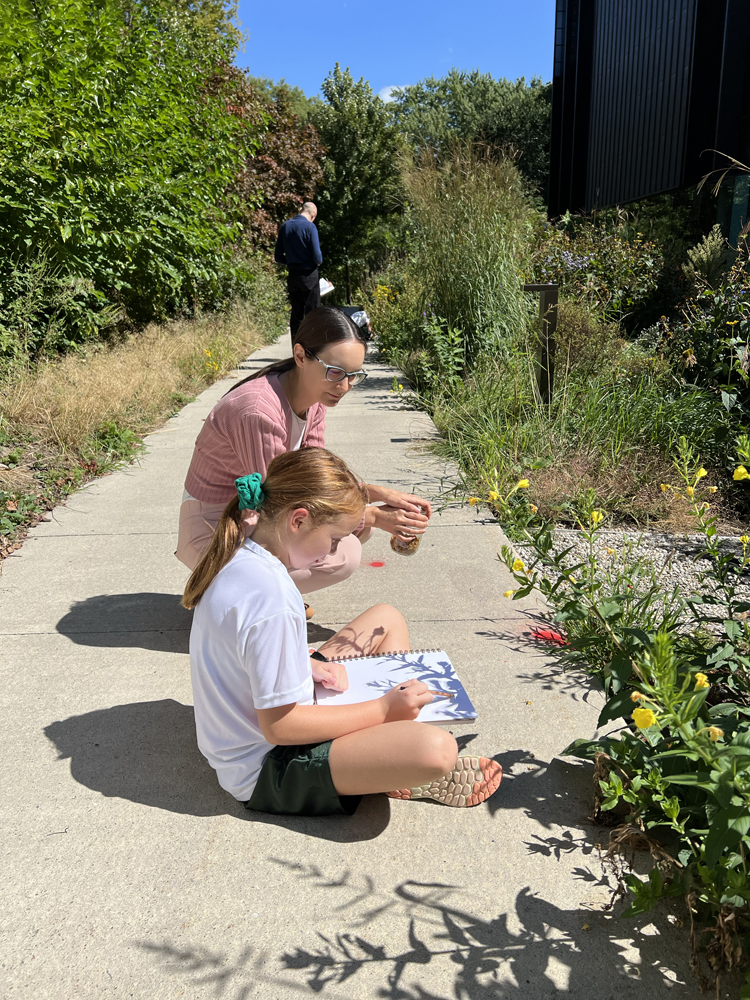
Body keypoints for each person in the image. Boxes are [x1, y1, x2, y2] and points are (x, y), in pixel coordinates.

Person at [182, 447, 502, 816]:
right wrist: (383, 710)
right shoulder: (273, 598)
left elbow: (245, 649)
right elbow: (280, 728)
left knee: (387, 618)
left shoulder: (243, 548)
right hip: (268, 767)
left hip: (262, 723)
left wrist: (304, 662)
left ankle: (383, 758)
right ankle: (389, 766)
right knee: (439, 751)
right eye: (335, 539)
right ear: (297, 521)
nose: (335, 551)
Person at [176, 307, 431, 603]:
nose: (345, 386)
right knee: (345, 553)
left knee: (349, 525)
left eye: (353, 376)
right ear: (300, 356)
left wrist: (373, 494)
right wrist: (371, 514)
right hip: (215, 527)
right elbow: (274, 505)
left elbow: (314, 479)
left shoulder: (313, 398)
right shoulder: (258, 411)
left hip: (249, 514)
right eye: (335, 372)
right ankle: (237, 591)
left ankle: (266, 586)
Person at [275, 201, 323, 341]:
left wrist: (291, 261)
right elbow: (317, 255)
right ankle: (311, 348)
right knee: (312, 313)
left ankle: (296, 349)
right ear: (313, 215)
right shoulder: (310, 226)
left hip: (293, 275)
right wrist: (317, 262)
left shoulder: (285, 227)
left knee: (296, 314)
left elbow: (278, 256)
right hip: (309, 274)